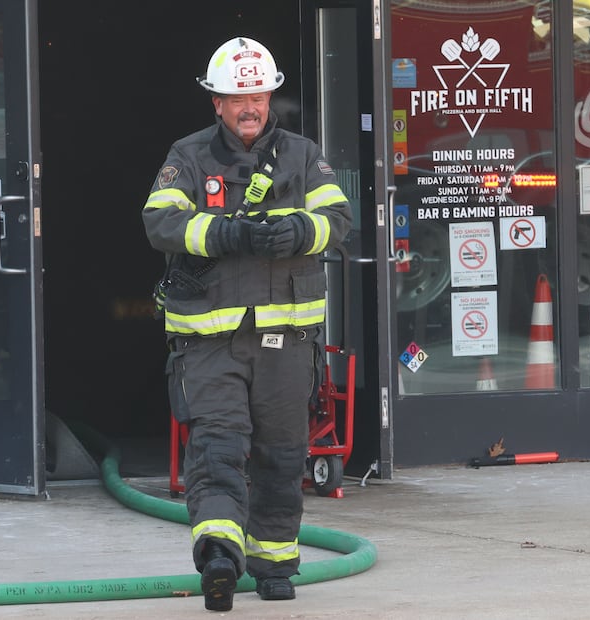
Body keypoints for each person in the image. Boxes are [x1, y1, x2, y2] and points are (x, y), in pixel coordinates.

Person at [141, 36, 352, 612]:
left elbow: (338, 219)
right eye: (237, 96)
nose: (249, 105)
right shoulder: (187, 157)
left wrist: (297, 233)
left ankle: (276, 564)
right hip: (211, 344)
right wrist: (226, 233)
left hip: (287, 345)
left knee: (283, 456)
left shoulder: (304, 156)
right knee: (217, 449)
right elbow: (159, 224)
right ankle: (217, 556)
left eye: (257, 93)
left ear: (271, 94)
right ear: (216, 102)